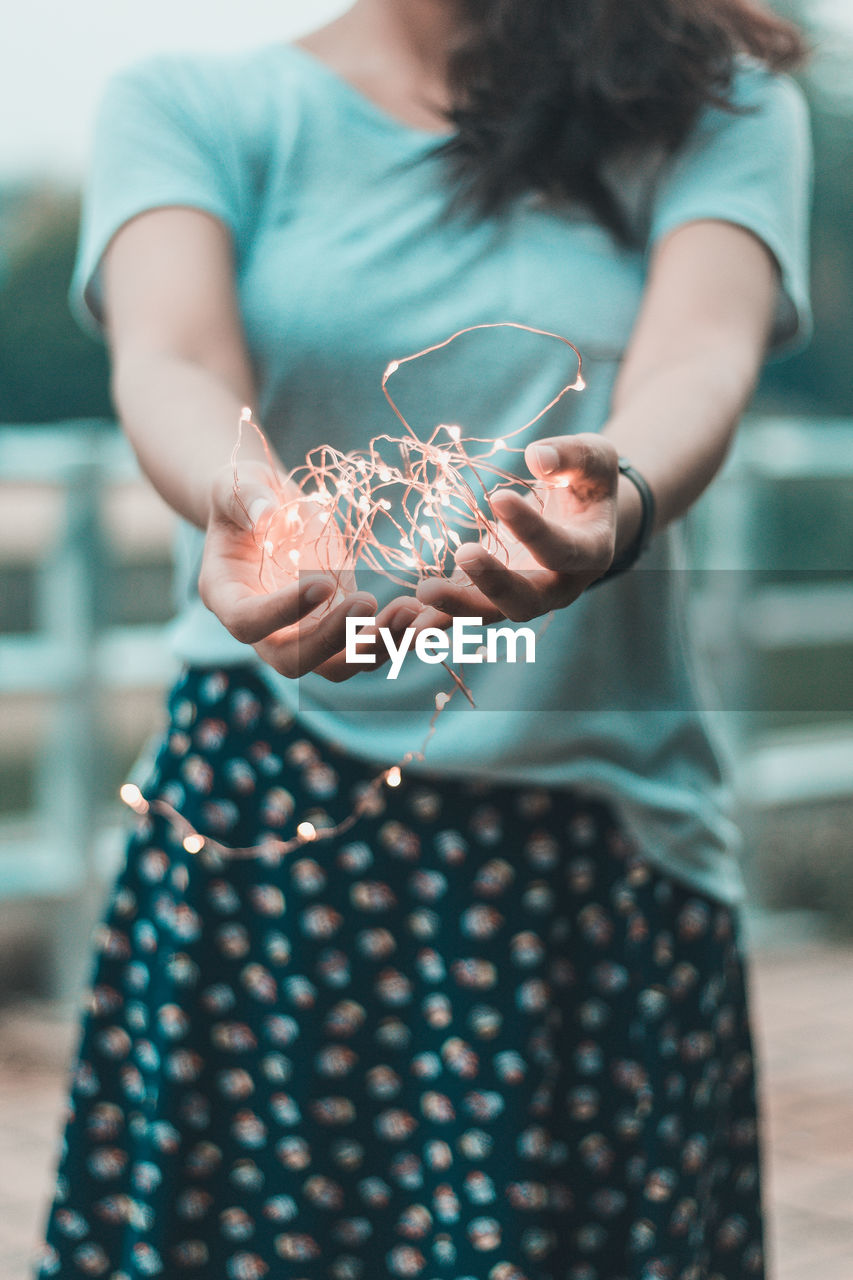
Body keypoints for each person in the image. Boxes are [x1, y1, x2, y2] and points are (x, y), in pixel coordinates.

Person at [37, 1, 811, 1277]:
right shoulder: (194, 104)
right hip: (268, 815)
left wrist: (610, 494)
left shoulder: (714, 102)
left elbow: (699, 360)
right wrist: (253, 508)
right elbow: (172, 361)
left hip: (594, 838)